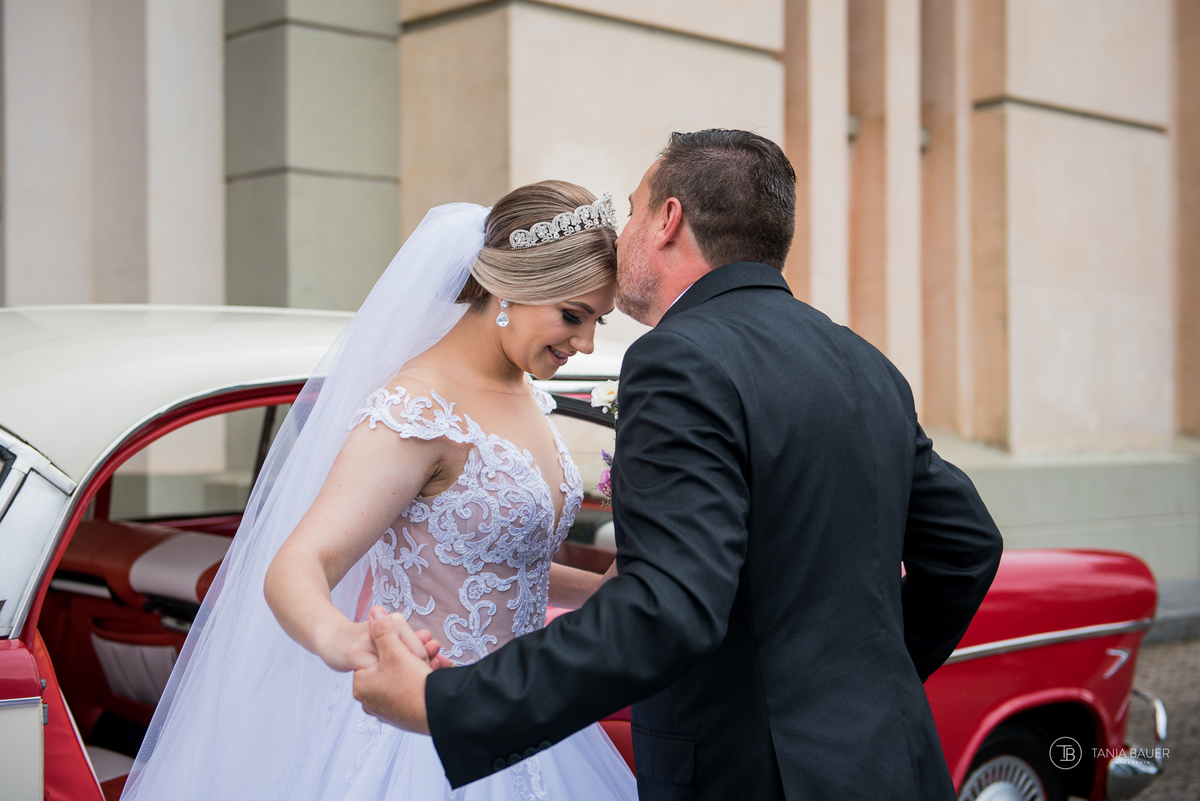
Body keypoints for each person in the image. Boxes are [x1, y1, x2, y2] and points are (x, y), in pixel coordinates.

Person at [353, 130, 1005, 800]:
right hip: (896, 763)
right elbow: (968, 545)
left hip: (755, 776)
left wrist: (448, 703)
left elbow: (670, 605)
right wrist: (861, 687)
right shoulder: (863, 362)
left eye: (634, 210)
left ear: (667, 220)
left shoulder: (681, 359)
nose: (622, 231)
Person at [120, 181, 637, 800]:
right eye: (572, 316)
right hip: (422, 724)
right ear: (508, 287)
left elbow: (486, 560)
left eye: (596, 321)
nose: (585, 344)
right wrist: (343, 639)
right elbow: (297, 562)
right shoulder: (416, 409)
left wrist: (600, 589)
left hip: (525, 711)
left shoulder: (527, 391)